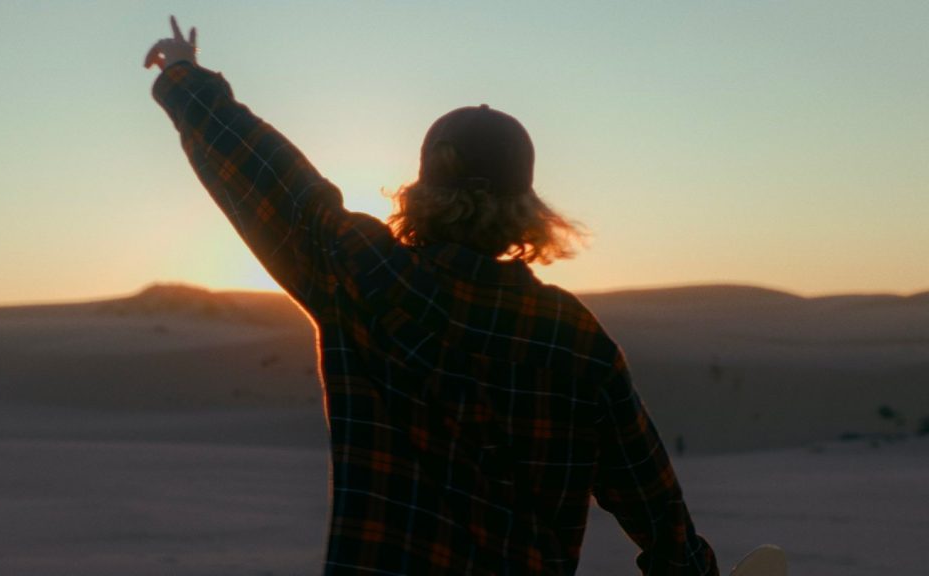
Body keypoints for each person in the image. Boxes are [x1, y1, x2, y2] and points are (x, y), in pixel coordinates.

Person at [145, 16, 718, 576]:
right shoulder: (575, 338)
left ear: (421, 189)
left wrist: (185, 74)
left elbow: (270, 178)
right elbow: (652, 498)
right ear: (526, 207)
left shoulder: (368, 276)